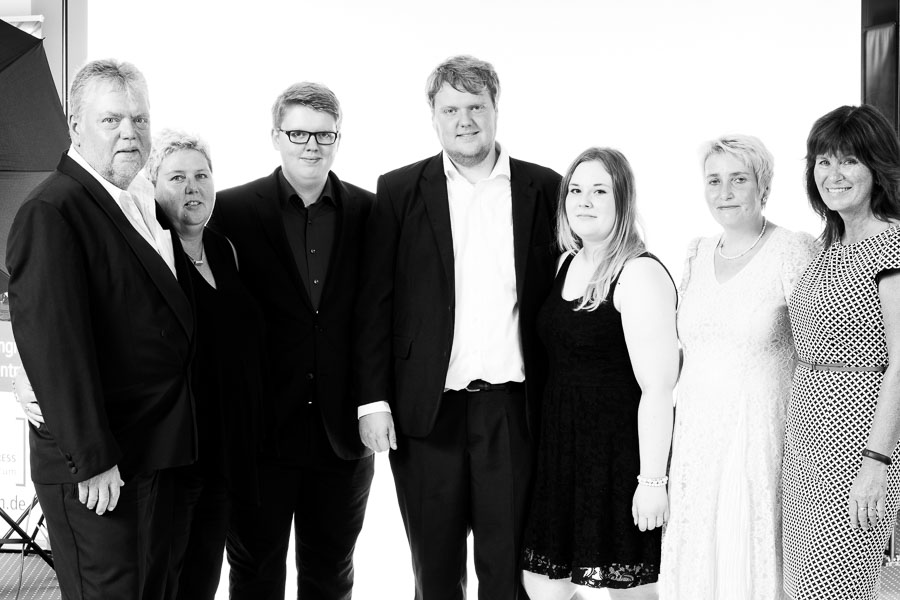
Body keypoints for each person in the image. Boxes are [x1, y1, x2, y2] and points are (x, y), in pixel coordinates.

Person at [354, 55, 561, 600]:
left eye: (475, 106)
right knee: (435, 574)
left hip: (514, 413)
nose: (464, 120)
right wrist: (372, 401)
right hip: (426, 414)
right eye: (451, 109)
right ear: (433, 116)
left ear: (495, 109)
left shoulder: (545, 188)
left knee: (510, 576)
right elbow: (375, 302)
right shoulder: (399, 190)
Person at [5, 59, 196, 599]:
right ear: (75, 126)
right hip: (101, 471)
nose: (130, 133)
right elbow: (55, 348)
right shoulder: (52, 210)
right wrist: (93, 461)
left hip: (150, 453)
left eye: (140, 119)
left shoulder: (137, 200)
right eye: (111, 120)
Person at [209, 82, 375, 600]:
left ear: (339, 138)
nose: (312, 145)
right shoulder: (229, 210)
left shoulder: (372, 213)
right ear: (275, 136)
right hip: (260, 434)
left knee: (331, 574)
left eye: (324, 134)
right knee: (255, 573)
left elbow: (381, 316)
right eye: (299, 133)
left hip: (342, 434)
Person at [659, 135, 818, 600]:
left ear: (763, 186)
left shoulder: (793, 249)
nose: (724, 192)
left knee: (742, 556)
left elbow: (819, 348)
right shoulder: (696, 252)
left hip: (757, 434)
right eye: (714, 180)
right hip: (694, 437)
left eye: (738, 179)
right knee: (697, 563)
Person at [520, 148, 679, 600]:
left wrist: (652, 482)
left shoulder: (639, 273)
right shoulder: (565, 263)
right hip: (561, 454)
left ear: (622, 200)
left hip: (617, 458)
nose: (584, 201)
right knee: (543, 585)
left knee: (629, 592)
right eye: (575, 190)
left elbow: (658, 388)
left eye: (599, 191)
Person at [782, 104, 900, 600]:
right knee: (802, 586)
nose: (834, 174)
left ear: (878, 167)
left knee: (837, 586)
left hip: (857, 446)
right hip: (805, 443)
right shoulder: (826, 245)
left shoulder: (892, 244)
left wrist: (877, 461)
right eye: (824, 161)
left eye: (850, 160)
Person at [145, 129, 265, 600]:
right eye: (177, 177)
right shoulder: (150, 252)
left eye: (201, 175)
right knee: (165, 581)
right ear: (153, 184)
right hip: (175, 454)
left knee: (203, 579)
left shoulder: (223, 249)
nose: (192, 187)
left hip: (224, 451)